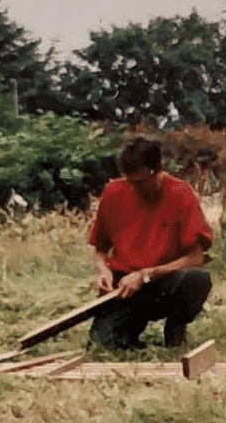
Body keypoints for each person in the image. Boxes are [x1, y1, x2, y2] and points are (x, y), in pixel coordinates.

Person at [86, 135, 214, 350]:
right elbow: (100, 249)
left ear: (158, 170)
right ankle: (132, 336)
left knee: (196, 279)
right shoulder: (114, 193)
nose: (134, 188)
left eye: (140, 182)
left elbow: (196, 258)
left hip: (162, 281)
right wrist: (103, 271)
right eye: (130, 181)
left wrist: (146, 274)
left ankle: (176, 327)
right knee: (101, 344)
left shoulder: (181, 193)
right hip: (124, 286)